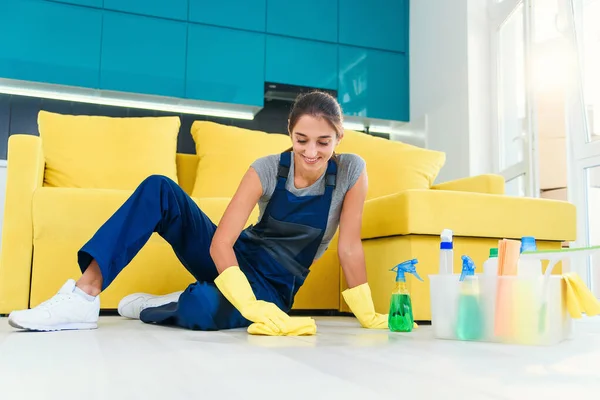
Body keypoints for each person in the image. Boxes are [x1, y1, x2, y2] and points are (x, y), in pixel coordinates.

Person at [7, 91, 388, 335]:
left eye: (323, 142)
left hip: (272, 289)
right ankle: (84, 295)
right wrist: (242, 297)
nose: (310, 152)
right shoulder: (269, 168)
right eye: (301, 140)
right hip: (234, 260)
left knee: (203, 306)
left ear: (340, 138)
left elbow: (349, 247)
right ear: (289, 134)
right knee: (160, 188)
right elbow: (222, 241)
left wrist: (367, 314)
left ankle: (167, 303)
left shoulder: (351, 171)